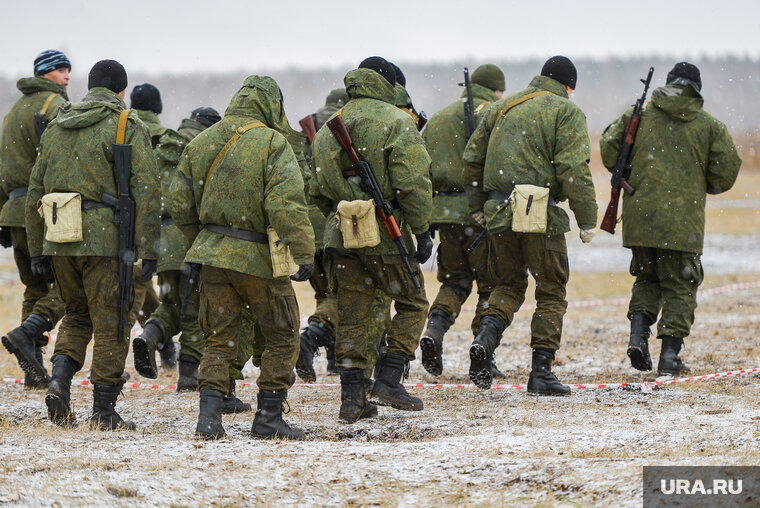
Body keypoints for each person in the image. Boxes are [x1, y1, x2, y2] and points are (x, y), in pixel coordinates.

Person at [168, 75, 314, 440]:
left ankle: (209, 419)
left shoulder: (202, 140)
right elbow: (284, 206)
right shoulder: (272, 142)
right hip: (258, 259)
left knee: (218, 338)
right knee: (282, 334)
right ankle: (268, 419)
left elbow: (179, 204)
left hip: (213, 258)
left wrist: (206, 242)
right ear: (271, 106)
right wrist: (304, 252)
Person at [27, 59, 160, 429]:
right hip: (106, 240)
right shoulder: (125, 123)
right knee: (114, 322)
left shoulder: (56, 125)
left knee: (76, 314)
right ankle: (103, 411)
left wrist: (39, 247)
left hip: (61, 237)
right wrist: (148, 248)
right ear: (121, 90)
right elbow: (147, 190)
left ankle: (60, 380)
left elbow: (36, 189)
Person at [463, 56, 597, 394]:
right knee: (551, 289)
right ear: (569, 86)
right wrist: (586, 219)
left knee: (507, 285)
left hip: (498, 211)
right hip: (539, 211)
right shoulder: (566, 111)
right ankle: (541, 373)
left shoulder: (501, 107)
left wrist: (479, 207)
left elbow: (471, 160)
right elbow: (573, 169)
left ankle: (485, 337)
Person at [310, 56, 433, 423]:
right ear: (387, 84)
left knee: (352, 314)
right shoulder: (397, 121)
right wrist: (422, 230)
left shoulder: (331, 125)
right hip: (384, 230)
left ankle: (352, 400)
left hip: (343, 235)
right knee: (413, 302)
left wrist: (345, 198)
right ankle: (390, 379)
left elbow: (317, 190)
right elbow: (413, 183)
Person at [600, 62, 741, 375]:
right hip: (683, 222)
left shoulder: (639, 115)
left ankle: (638, 337)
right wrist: (699, 183)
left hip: (641, 215)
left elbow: (610, 150)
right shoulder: (709, 126)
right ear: (695, 89)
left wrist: (631, 173)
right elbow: (725, 173)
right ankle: (669, 358)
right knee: (681, 283)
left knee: (647, 277)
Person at [295, 88, 391, 385]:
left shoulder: (309, 130)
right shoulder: (352, 126)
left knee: (327, 294)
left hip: (307, 224)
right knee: (345, 298)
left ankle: (335, 361)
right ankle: (310, 340)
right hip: (340, 224)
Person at [420, 63, 507, 378]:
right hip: (480, 213)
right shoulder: (497, 113)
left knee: (455, 281)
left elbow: (423, 169)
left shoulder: (439, 119)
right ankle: (483, 351)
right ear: (497, 90)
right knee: (489, 284)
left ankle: (433, 331)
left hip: (445, 215)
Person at [132, 107, 221, 393]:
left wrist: (147, 247)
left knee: (170, 304)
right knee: (196, 309)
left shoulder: (162, 149)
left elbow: (146, 199)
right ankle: (188, 375)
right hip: (191, 237)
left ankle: (149, 335)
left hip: (163, 242)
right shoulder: (206, 149)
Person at [0, 50, 70, 387]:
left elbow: (2, 167)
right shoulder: (54, 106)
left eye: (68, 69)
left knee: (34, 286)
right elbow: (60, 163)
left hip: (13, 211)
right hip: (43, 210)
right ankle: (28, 334)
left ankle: (32, 366)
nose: (67, 75)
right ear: (45, 73)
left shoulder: (12, 112)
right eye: (60, 69)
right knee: (71, 286)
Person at [128, 83, 167, 364]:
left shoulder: (123, 132)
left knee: (137, 285)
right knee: (140, 287)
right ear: (158, 108)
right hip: (160, 223)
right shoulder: (168, 139)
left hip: (123, 222)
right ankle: (159, 342)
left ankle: (159, 341)